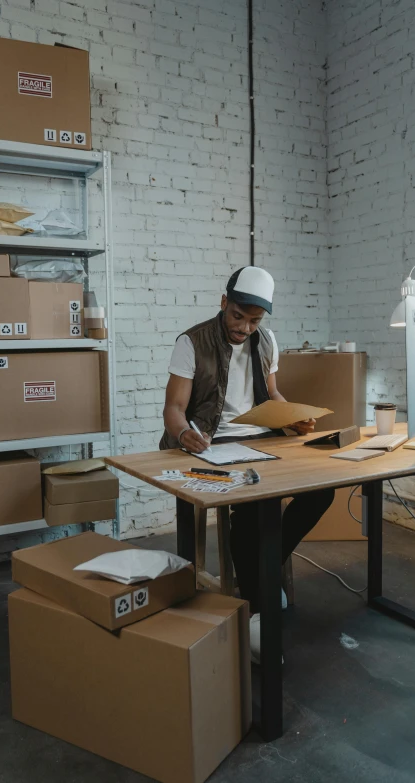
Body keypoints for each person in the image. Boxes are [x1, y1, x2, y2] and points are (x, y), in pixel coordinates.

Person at [160, 266, 335, 662]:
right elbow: (173, 407)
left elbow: (272, 393)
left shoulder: (266, 340)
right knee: (252, 506)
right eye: (238, 316)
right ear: (224, 303)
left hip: (260, 438)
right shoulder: (192, 342)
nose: (244, 327)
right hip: (212, 440)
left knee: (323, 489)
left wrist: (291, 416)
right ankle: (257, 607)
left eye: (254, 321)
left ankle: (264, 572)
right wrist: (184, 432)